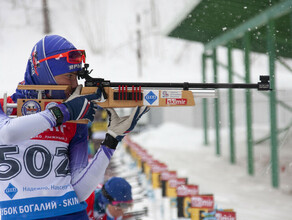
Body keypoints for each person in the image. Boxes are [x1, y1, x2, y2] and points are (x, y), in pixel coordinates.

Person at [0, 35, 149, 219]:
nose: (74, 85)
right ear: (44, 72)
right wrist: (62, 112)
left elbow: (80, 190)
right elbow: (8, 134)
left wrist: (112, 139)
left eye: (76, 77)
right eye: (69, 76)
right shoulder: (4, 107)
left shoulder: (74, 122)